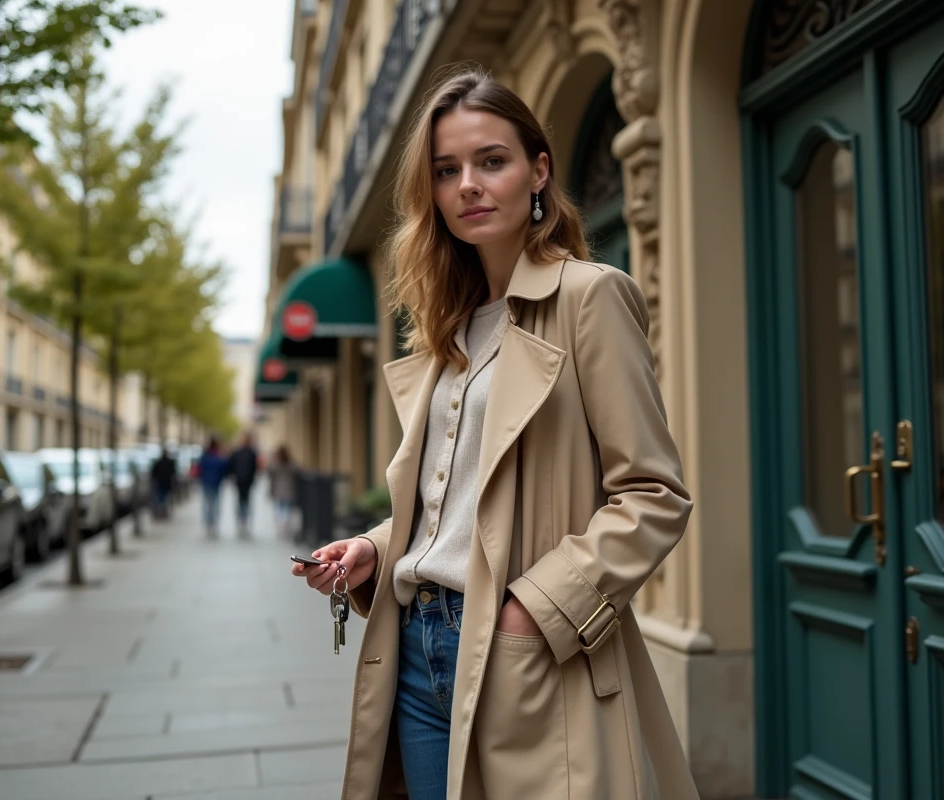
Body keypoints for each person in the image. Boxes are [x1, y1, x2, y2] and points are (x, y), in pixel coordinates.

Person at [291, 69, 697, 799]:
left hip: (528, 650)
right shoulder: (444, 327)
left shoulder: (589, 297)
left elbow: (654, 494)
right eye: (447, 171)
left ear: (538, 170)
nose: (468, 186)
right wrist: (376, 549)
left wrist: (534, 611)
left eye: (491, 161)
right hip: (415, 648)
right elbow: (458, 502)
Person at [227, 433, 260, 537]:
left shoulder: (239, 452)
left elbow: (231, 466)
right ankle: (244, 521)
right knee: (245, 502)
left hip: (242, 481)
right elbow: (255, 468)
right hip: (245, 481)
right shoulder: (251, 453)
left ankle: (242, 521)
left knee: (242, 502)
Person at [196, 437, 228, 538]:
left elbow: (200, 469)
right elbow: (224, 470)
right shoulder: (219, 457)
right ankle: (214, 525)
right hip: (216, 484)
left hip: (206, 483)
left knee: (207, 504)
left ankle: (208, 525)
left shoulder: (205, 456)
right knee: (215, 505)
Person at [267, 444, 298, 538]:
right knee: (287, 508)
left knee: (279, 508)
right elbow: (297, 471)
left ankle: (281, 524)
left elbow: (270, 474)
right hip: (289, 489)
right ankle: (284, 523)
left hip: (278, 489)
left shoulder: (275, 464)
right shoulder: (290, 464)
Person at [150, 447, 177, 519]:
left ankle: (160, 513)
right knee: (164, 499)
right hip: (167, 483)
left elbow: (153, 473)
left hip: (160, 483)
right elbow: (173, 473)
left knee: (159, 498)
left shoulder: (158, 462)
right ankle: (163, 512)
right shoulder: (170, 462)